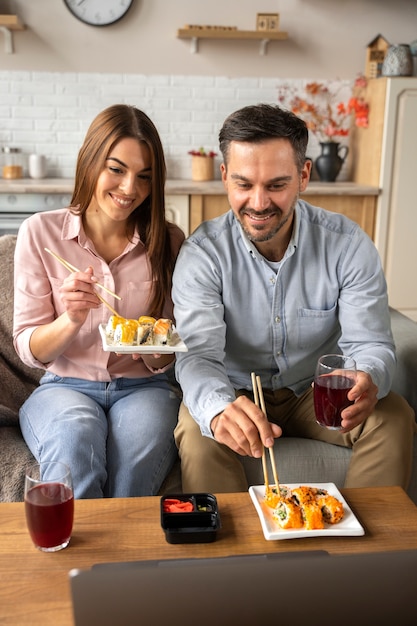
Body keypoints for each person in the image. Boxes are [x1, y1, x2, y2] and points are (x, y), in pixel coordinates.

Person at [172, 103, 415, 493]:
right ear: (224, 178)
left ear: (304, 176)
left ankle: (371, 552)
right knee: (196, 427)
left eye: (276, 184)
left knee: (395, 416)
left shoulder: (347, 245)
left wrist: (369, 376)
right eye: (244, 183)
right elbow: (198, 355)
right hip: (237, 391)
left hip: (315, 391)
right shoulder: (204, 253)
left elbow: (370, 343)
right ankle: (230, 555)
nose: (258, 203)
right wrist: (218, 410)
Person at [14, 104, 185, 498]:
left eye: (145, 176)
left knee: (136, 456)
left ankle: (123, 555)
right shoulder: (40, 233)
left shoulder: (169, 241)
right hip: (63, 386)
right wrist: (70, 319)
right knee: (75, 434)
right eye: (116, 169)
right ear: (91, 160)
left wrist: (154, 345)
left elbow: (168, 354)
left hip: (145, 388)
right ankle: (76, 557)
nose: (130, 189)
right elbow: (28, 346)